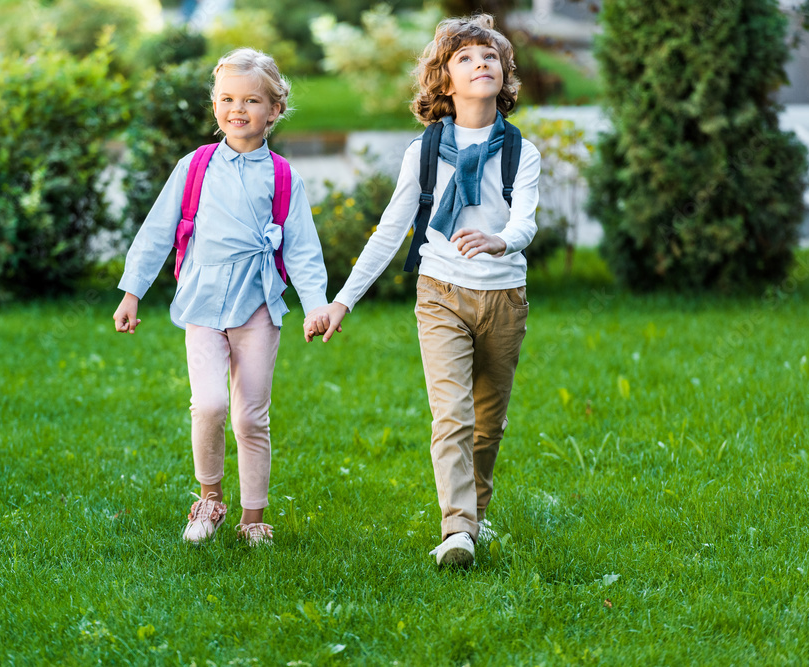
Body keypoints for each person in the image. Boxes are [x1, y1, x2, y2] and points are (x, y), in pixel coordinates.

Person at [305, 14, 541, 569]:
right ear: (444, 81)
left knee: (489, 423)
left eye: (489, 57)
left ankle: (476, 513)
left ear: (504, 74)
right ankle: (457, 529)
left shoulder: (520, 152)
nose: (479, 64)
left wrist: (500, 240)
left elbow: (526, 222)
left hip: (504, 295)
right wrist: (344, 300)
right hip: (440, 292)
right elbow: (391, 229)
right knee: (452, 415)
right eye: (465, 58)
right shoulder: (426, 151)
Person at [114, 48, 329, 547]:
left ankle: (254, 518)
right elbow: (156, 232)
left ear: (274, 110)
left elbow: (302, 250)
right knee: (209, 405)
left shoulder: (283, 177)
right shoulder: (195, 167)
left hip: (257, 305)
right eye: (228, 98)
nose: (238, 109)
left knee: (250, 415)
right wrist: (132, 292)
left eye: (252, 100)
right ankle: (209, 500)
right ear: (214, 105)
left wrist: (316, 303)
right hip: (204, 303)